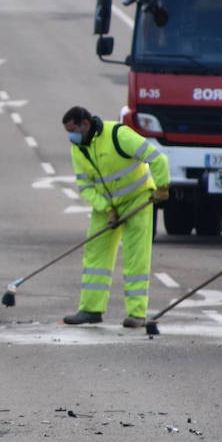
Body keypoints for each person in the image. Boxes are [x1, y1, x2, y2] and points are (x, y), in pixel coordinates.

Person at [61, 106, 170, 327]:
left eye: (73, 130)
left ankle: (137, 314)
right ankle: (90, 310)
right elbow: (85, 186)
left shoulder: (117, 134)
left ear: (85, 124)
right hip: (107, 206)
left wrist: (162, 187)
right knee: (95, 254)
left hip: (137, 199)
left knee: (135, 256)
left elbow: (158, 159)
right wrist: (106, 209)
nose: (71, 136)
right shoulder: (79, 148)